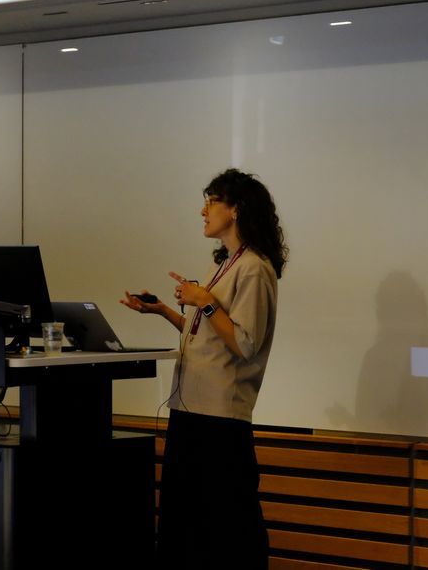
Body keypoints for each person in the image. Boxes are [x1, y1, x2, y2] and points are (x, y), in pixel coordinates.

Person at [120, 168, 288, 570]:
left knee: (224, 526)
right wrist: (163, 310)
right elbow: (209, 336)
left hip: (220, 419)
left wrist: (205, 301)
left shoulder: (254, 268)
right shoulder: (227, 263)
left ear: (237, 209)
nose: (203, 211)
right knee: (185, 524)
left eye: (212, 201)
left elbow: (244, 344)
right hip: (191, 410)